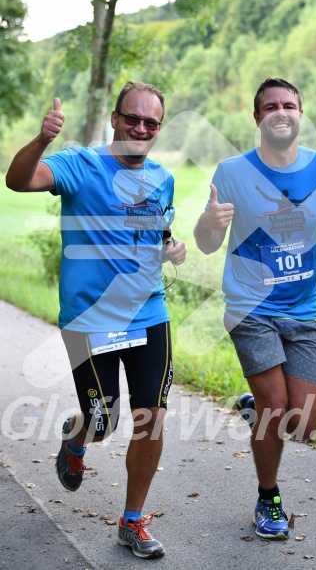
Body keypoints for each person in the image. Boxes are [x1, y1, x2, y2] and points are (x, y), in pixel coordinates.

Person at [6, 81, 186, 558]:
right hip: (90, 320)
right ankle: (78, 437)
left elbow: (155, 231)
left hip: (149, 313)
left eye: (151, 122)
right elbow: (19, 181)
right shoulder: (78, 164)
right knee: (103, 420)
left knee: (152, 419)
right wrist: (42, 139)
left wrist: (173, 248)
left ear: (159, 128)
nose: (141, 128)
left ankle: (132, 521)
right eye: (133, 117)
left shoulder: (163, 178)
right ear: (115, 117)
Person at [194, 77, 316, 540]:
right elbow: (207, 243)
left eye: (289, 104)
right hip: (250, 307)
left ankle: (256, 408)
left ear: (300, 113)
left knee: (304, 427)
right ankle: (268, 497)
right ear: (258, 118)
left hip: (304, 310)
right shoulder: (232, 172)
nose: (280, 111)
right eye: (270, 105)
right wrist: (209, 223)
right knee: (278, 411)